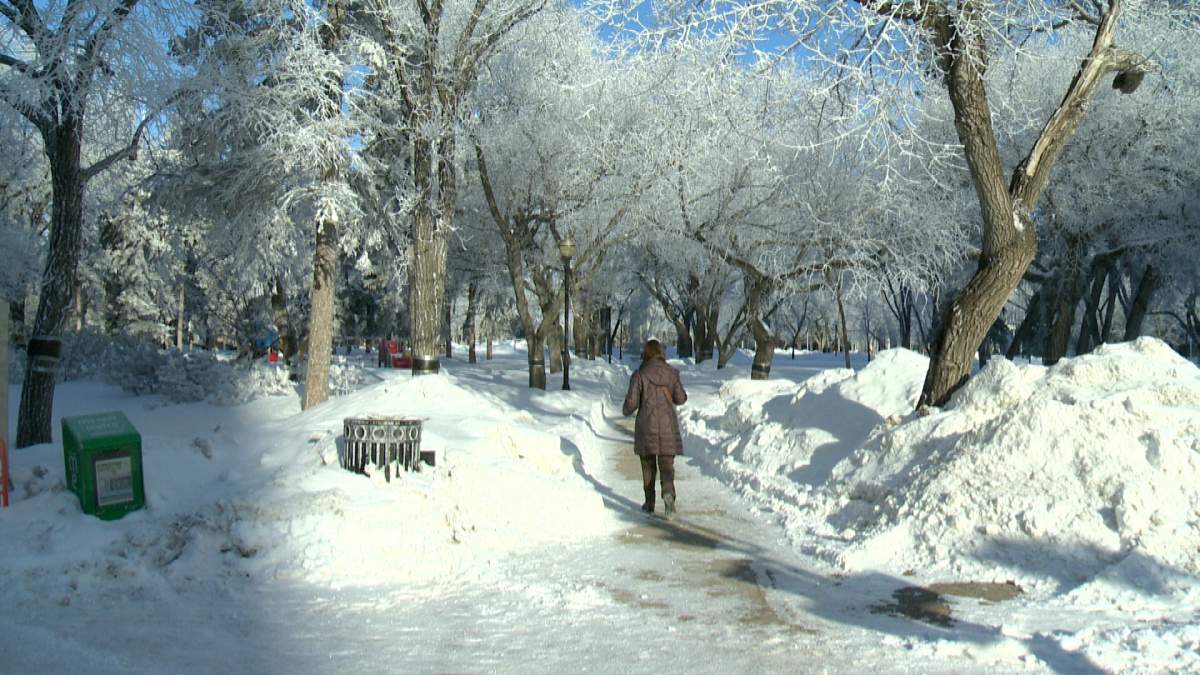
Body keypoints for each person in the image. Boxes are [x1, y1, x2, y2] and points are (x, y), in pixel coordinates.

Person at [622, 338, 688, 516]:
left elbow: (631, 404)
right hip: (667, 427)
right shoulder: (672, 374)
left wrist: (625, 408)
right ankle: (668, 495)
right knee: (667, 466)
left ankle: (649, 503)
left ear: (646, 353)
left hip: (646, 427)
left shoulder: (640, 374)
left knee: (648, 467)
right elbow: (681, 398)